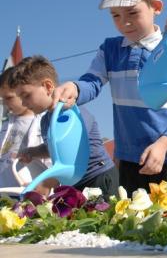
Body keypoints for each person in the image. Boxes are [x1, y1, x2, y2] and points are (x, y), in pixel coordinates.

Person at [51, 0, 167, 204]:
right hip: (130, 161)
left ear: (156, 8)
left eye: (132, 13)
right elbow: (92, 83)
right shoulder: (109, 50)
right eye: (115, 16)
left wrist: (163, 145)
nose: (124, 23)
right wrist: (75, 89)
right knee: (132, 231)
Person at [10, 56, 118, 199]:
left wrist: (49, 181)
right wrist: (33, 152)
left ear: (48, 87)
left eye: (26, 95)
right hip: (76, 182)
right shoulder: (46, 121)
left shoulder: (73, 112)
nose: (23, 103)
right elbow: (54, 149)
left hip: (98, 178)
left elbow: (72, 153)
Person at [0, 67, 49, 191]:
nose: (4, 103)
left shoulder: (43, 122)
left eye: (9, 98)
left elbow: (53, 157)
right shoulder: (5, 124)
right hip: (4, 190)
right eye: (2, 99)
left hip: (31, 190)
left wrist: (45, 185)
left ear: (22, 93)